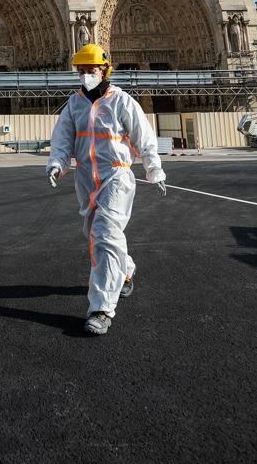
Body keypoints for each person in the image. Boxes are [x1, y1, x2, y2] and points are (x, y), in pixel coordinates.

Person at [46, 43, 167, 335]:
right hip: (86, 178)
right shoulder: (74, 104)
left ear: (104, 70)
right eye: (82, 70)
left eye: (91, 69)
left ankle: (101, 309)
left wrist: (154, 168)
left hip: (117, 176)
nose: (86, 74)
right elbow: (62, 141)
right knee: (94, 234)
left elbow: (144, 137)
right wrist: (56, 164)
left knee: (103, 235)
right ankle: (124, 269)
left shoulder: (122, 102)